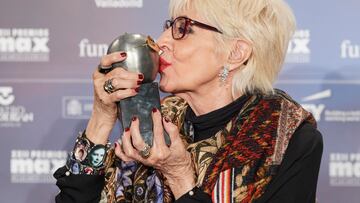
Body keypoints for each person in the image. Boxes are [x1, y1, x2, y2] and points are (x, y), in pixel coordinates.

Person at [54, 0, 323, 202]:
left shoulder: (286, 139)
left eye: (182, 28)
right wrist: (102, 117)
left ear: (236, 52)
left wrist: (180, 175)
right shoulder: (156, 117)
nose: (160, 43)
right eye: (168, 26)